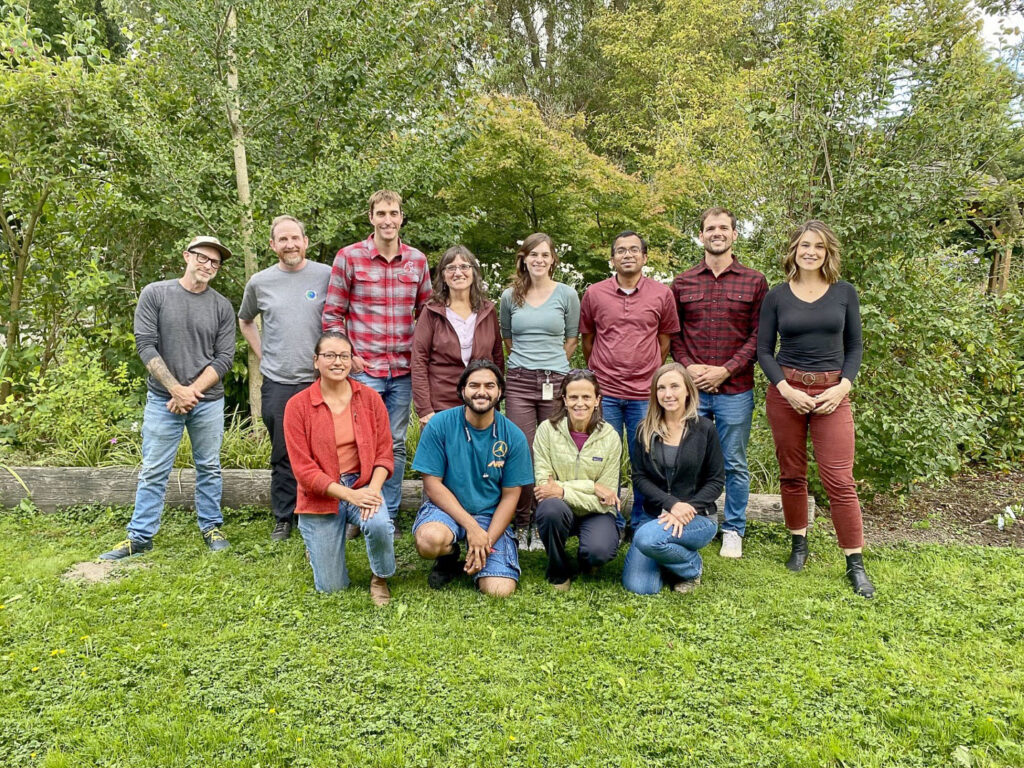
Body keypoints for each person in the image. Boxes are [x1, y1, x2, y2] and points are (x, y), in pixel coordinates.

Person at [757, 220, 874, 598]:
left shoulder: (844, 293)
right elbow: (763, 350)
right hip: (787, 393)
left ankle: (854, 563)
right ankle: (798, 545)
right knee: (792, 474)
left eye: (819, 247)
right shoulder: (777, 295)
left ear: (828, 253)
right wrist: (785, 389)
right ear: (794, 250)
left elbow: (854, 347)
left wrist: (843, 387)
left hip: (831, 395)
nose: (811, 251)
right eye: (805, 245)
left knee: (840, 479)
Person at [99, 236, 235, 560]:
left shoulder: (222, 307)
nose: (208, 266)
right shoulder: (155, 293)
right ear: (187, 255)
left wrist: (190, 393)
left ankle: (211, 527)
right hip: (164, 400)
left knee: (209, 466)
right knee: (154, 469)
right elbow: (145, 344)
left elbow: (224, 358)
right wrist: (175, 389)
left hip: (207, 402)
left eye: (215, 262)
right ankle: (140, 536)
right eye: (203, 258)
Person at [322, 190, 432, 535]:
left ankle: (390, 512)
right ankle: (359, 510)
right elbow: (332, 314)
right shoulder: (349, 257)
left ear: (402, 218)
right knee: (359, 441)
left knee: (394, 443)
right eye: (381, 213)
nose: (388, 220)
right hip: (364, 368)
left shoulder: (417, 261)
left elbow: (427, 314)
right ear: (371, 217)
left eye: (394, 213)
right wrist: (347, 354)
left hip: (402, 371)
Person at [672, 207, 768, 559]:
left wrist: (726, 369)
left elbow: (759, 336)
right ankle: (696, 519)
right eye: (710, 228)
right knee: (688, 459)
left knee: (734, 462)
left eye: (723, 228)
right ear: (701, 236)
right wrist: (688, 368)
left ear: (734, 235)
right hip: (693, 390)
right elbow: (674, 335)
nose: (717, 233)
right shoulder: (682, 282)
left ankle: (733, 529)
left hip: (735, 388)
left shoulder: (754, 281)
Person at [580, 231, 680, 539]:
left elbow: (665, 340)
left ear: (645, 257)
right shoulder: (594, 293)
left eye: (634, 250)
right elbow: (588, 340)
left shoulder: (662, 294)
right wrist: (602, 371)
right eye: (620, 250)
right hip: (606, 392)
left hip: (643, 394)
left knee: (645, 459)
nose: (627, 255)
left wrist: (647, 371)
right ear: (612, 259)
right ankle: (610, 521)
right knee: (604, 459)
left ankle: (639, 522)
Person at [283, 332, 395, 605]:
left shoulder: (369, 399)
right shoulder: (297, 406)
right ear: (316, 361)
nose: (337, 362)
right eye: (329, 355)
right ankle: (318, 546)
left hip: (362, 484)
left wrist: (372, 491)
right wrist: (350, 497)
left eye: (344, 355)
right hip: (321, 495)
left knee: (379, 523)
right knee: (331, 588)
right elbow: (304, 471)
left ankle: (379, 577)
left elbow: (384, 453)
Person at [239, 215, 332, 542]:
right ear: (272, 245)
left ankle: (321, 510)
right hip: (279, 382)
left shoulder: (326, 276)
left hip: (321, 381)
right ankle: (283, 516)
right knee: (283, 452)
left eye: (296, 238)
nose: (290, 244)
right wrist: (263, 353)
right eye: (283, 240)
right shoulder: (260, 282)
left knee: (324, 449)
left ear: (306, 241)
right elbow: (245, 320)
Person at [411, 360, 533, 597]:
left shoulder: (513, 436)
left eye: (490, 385)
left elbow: (511, 496)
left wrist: (485, 542)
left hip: (490, 515)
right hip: (446, 510)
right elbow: (432, 484)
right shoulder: (440, 424)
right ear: (462, 390)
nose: (481, 392)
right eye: (474, 385)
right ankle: (449, 557)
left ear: (500, 392)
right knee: (429, 541)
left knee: (500, 590)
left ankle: (482, 554)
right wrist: (471, 527)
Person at [499, 233, 580, 552]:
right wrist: (529, 362)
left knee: (551, 451)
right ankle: (522, 524)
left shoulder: (567, 294)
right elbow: (507, 339)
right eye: (533, 255)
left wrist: (552, 362)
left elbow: (572, 338)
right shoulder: (509, 296)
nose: (539, 260)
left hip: (555, 381)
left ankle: (547, 521)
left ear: (552, 260)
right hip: (519, 380)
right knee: (522, 451)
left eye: (545, 255)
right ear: (523, 259)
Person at [622, 363, 725, 595]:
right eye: (661, 388)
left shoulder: (705, 429)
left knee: (646, 540)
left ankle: (691, 567)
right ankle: (666, 556)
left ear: (688, 390)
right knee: (640, 587)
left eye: (674, 386)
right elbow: (639, 477)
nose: (668, 394)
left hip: (697, 517)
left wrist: (686, 507)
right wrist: (672, 504)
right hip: (654, 517)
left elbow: (716, 480)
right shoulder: (644, 429)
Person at [532, 369, 621, 591]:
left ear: (597, 400)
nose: (579, 403)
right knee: (550, 509)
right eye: (573, 397)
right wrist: (592, 486)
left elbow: (607, 499)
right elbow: (544, 489)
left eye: (586, 397)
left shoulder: (610, 436)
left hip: (595, 512)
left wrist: (562, 491)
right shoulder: (547, 430)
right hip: (559, 509)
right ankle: (558, 569)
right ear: (564, 399)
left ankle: (586, 558)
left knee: (598, 552)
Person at [411, 245, 504, 423]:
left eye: (464, 267)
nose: (458, 272)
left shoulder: (487, 310)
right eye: (451, 268)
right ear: (443, 276)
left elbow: (497, 359)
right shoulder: (431, 311)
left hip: (480, 401)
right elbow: (419, 361)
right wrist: (424, 409)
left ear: (473, 272)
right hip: (441, 404)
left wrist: (495, 399)